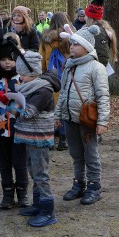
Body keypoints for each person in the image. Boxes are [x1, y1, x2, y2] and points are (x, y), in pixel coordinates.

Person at [55, 25, 110, 205]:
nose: (71, 47)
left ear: (86, 46)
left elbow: (103, 96)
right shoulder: (69, 67)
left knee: (91, 154)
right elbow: (63, 93)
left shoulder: (96, 67)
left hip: (87, 119)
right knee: (76, 153)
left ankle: (94, 186)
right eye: (71, 44)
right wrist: (58, 115)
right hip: (69, 118)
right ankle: (79, 183)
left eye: (76, 45)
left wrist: (102, 121)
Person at [11, 51, 60, 227]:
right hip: (29, 135)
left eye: (23, 74)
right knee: (33, 170)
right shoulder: (30, 87)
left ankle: (48, 211)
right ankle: (38, 204)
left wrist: (13, 106)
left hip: (39, 136)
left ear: (31, 74)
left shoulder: (43, 90)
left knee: (41, 173)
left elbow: (29, 112)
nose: (20, 78)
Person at [0, 35, 29, 209]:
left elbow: (30, 102)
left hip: (20, 127)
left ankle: (22, 193)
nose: (7, 63)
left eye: (11, 59)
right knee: (4, 162)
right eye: (3, 59)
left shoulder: (22, 78)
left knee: (20, 161)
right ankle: (7, 194)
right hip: (0, 127)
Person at [39, 11, 71, 151]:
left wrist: (43, 73)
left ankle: (50, 138)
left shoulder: (45, 38)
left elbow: (41, 59)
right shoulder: (70, 37)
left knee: (51, 107)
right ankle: (64, 138)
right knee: (64, 106)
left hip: (50, 76)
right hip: (67, 74)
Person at [83, 0, 118, 67]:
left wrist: (97, 71)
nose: (84, 18)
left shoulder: (98, 32)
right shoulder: (100, 28)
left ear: (89, 17)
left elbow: (102, 55)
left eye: (85, 16)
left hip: (95, 70)